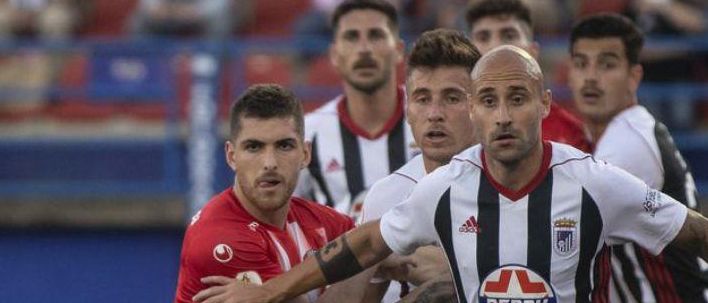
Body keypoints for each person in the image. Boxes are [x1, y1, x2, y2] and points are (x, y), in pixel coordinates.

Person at [192, 46, 708, 303]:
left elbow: (693, 232)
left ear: (545, 105)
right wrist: (267, 292)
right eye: (489, 101)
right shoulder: (444, 188)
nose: (503, 115)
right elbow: (365, 245)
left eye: (517, 99)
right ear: (476, 112)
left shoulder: (598, 183)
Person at [567, 13, 707, 302]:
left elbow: (560, 234)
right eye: (581, 64)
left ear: (634, 77)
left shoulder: (628, 143)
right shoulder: (623, 131)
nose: (591, 76)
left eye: (607, 64)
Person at [173, 84, 354, 303]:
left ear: (305, 154)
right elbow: (368, 254)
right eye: (254, 147)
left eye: (284, 146)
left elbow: (381, 255)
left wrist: (377, 256)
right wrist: (366, 261)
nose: (270, 163)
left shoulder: (320, 222)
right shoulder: (219, 240)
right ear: (231, 156)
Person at [356, 28, 480, 302]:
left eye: (452, 98)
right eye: (423, 99)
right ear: (407, 110)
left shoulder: (514, 184)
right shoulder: (384, 196)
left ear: (479, 105)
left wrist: (404, 252)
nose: (435, 114)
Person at [294, 0, 417, 220]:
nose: (364, 49)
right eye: (351, 37)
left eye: (376, 35)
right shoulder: (307, 134)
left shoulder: (432, 118)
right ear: (334, 55)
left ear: (399, 50)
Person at [465, 0, 592, 152]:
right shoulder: (449, 121)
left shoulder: (568, 134)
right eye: (483, 37)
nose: (495, 46)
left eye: (508, 35)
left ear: (533, 52)